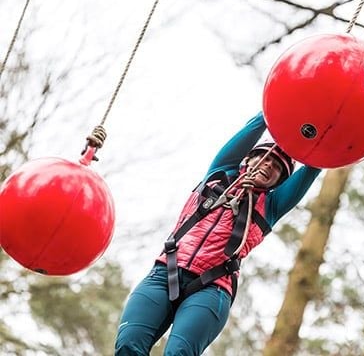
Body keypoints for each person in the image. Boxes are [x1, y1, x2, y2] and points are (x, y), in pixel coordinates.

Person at [114, 111, 321, 355]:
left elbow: (314, 166)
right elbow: (255, 125)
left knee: (178, 353)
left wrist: (326, 131)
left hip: (212, 286)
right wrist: (283, 106)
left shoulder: (271, 207)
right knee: (129, 344)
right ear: (249, 159)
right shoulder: (218, 175)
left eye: (277, 167)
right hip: (164, 273)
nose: (268, 165)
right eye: (264, 159)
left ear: (279, 181)